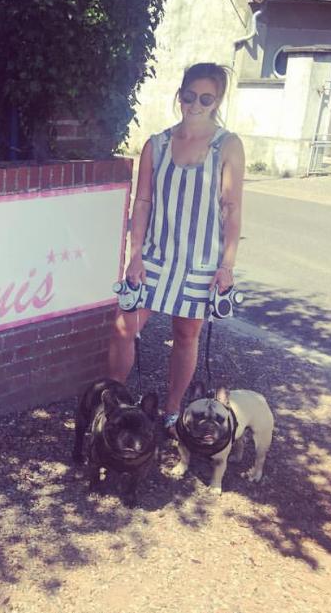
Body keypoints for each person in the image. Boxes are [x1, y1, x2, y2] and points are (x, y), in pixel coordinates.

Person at [107, 62, 245, 436]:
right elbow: (143, 202)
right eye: (189, 96)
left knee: (186, 336)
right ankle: (113, 404)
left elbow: (232, 207)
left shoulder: (227, 145)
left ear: (217, 101)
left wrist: (227, 266)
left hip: (200, 262)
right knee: (124, 327)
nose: (196, 104)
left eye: (206, 98)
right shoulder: (158, 144)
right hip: (155, 257)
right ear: (179, 94)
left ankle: (170, 411)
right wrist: (134, 255)